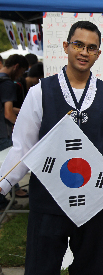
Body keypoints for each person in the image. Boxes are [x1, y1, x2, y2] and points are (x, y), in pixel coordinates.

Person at [0, 21, 103, 275]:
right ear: (66, 47)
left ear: (98, 54)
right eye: (78, 44)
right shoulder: (40, 93)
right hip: (49, 201)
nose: (84, 52)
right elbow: (23, 147)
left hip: (94, 201)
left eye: (91, 47)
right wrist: (3, 184)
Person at [0, 54, 29, 209]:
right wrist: (24, 125)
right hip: (3, 133)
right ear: (16, 66)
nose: (20, 76)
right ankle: (5, 204)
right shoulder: (8, 84)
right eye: (21, 72)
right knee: (9, 166)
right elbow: (8, 113)